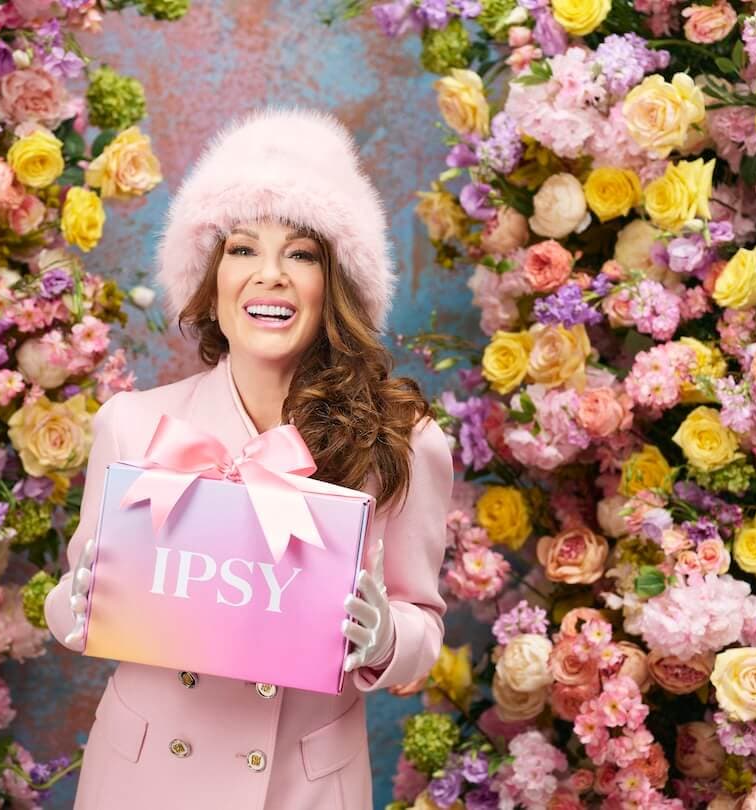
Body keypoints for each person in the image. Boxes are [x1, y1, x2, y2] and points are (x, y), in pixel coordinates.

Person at [44, 106, 453, 809]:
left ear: (337, 282)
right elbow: (75, 614)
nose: (270, 276)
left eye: (301, 253)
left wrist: (386, 634)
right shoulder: (133, 424)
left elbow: (424, 625)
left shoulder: (404, 440)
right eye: (242, 250)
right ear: (210, 277)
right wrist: (76, 600)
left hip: (301, 787)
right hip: (144, 779)